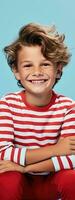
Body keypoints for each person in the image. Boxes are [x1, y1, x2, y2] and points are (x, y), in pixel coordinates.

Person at [0, 23, 75, 200]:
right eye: (28, 66)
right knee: (6, 178)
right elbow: (2, 153)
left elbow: (72, 158)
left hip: (50, 181)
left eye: (45, 64)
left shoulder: (69, 108)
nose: (37, 72)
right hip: (19, 182)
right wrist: (56, 149)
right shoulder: (7, 105)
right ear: (16, 71)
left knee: (72, 178)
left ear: (58, 69)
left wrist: (25, 167)